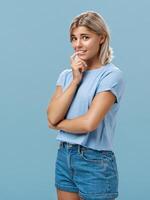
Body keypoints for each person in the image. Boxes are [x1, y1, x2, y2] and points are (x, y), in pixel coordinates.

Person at [46, 11, 125, 200]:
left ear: (101, 38)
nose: (77, 44)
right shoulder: (66, 76)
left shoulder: (111, 75)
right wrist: (75, 80)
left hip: (95, 161)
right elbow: (51, 115)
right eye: (74, 38)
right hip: (64, 156)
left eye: (85, 37)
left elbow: (88, 124)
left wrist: (57, 125)